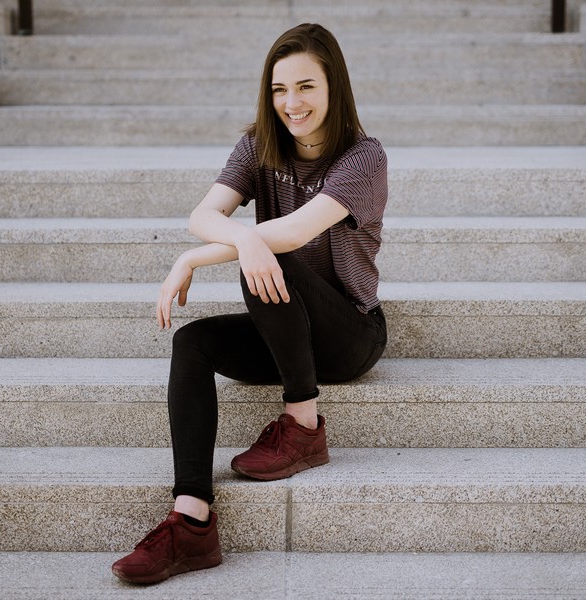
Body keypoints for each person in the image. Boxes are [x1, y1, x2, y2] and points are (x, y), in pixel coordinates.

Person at [111, 22, 388, 585]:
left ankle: (303, 423)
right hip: (286, 331)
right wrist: (234, 239)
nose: (292, 103)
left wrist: (196, 259)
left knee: (266, 250)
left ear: (335, 88)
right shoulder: (259, 146)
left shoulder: (364, 158)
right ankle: (191, 520)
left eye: (306, 86)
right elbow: (202, 214)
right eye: (280, 89)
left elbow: (289, 235)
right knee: (192, 342)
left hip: (350, 334)